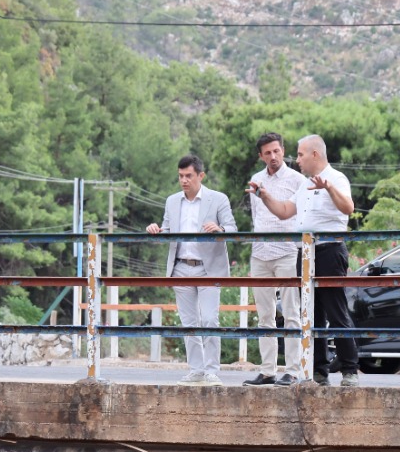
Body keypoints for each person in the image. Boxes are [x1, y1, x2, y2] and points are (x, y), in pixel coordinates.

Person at [264, 134, 358, 386]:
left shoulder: (337, 178)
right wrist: (265, 196)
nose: (298, 159)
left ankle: (350, 370)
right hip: (304, 254)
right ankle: (318, 370)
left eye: (301, 154)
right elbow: (285, 211)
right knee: (310, 314)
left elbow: (348, 208)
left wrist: (328, 188)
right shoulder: (303, 184)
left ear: (315, 154)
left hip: (329, 250)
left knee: (336, 311)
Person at [148, 155, 237, 384]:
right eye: (180, 176)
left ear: (200, 176)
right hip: (181, 268)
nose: (184, 180)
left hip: (209, 269)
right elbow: (168, 230)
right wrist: (157, 229)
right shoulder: (172, 201)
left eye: (188, 176)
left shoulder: (217, 199)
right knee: (189, 323)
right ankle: (196, 370)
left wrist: (219, 229)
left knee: (209, 320)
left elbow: (233, 229)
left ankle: (211, 370)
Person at [245, 132, 307, 386]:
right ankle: (267, 369)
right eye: (267, 152)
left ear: (283, 150)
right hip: (260, 253)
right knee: (264, 314)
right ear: (260, 156)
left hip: (286, 251)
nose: (273, 156)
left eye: (276, 151)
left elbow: (297, 215)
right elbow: (258, 217)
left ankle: (293, 369)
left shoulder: (297, 180)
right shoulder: (256, 181)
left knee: (291, 312)